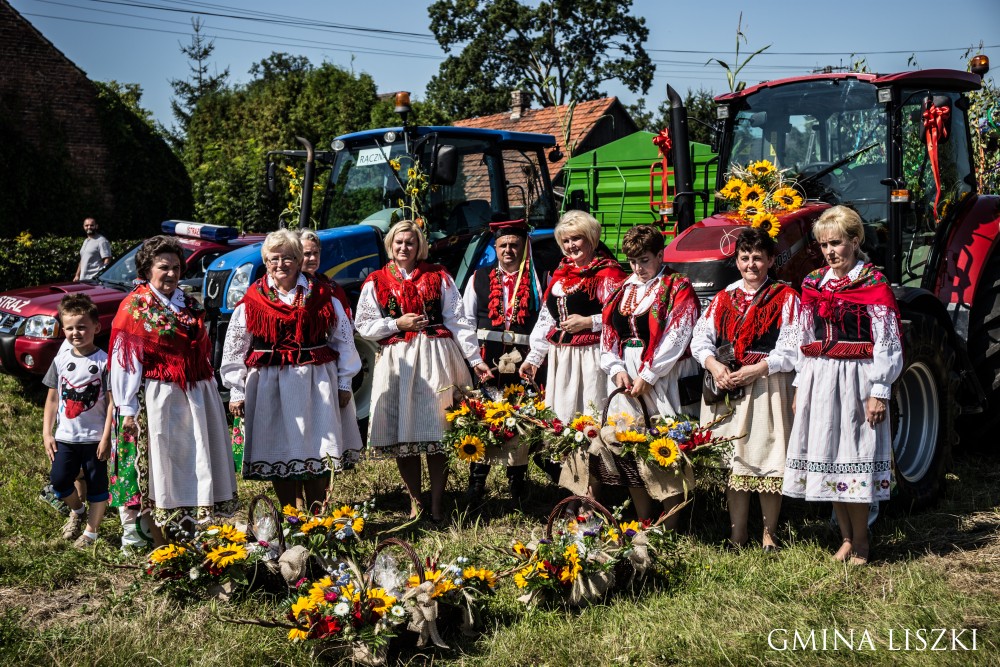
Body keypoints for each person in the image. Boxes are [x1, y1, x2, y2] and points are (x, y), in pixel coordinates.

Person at [782, 206, 903, 565]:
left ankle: (862, 541)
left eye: (836, 243)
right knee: (831, 456)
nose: (830, 251)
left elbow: (888, 341)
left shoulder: (872, 284)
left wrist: (879, 390)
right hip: (821, 377)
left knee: (855, 455)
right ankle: (846, 538)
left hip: (858, 377)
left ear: (854, 240)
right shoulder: (813, 283)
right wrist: (801, 384)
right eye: (823, 245)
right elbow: (804, 336)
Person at [355, 220, 492, 523]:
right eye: (399, 242)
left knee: (436, 430)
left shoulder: (437, 275)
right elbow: (363, 325)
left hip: (435, 355)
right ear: (390, 245)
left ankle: (439, 503)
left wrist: (475, 358)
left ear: (419, 247)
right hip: (398, 359)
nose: (404, 247)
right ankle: (416, 504)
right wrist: (396, 324)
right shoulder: (376, 280)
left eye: (410, 243)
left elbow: (457, 319)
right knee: (405, 437)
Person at [221, 230, 363, 510]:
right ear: (266, 261)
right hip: (270, 385)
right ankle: (291, 517)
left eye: (288, 258)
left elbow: (343, 340)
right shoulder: (253, 300)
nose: (280, 264)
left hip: (315, 382)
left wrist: (344, 382)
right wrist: (236, 390)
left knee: (318, 448)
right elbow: (234, 348)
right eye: (274, 258)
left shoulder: (322, 296)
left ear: (298, 261)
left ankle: (317, 516)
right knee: (279, 451)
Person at [109, 236, 238, 543]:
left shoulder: (187, 302)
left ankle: (191, 530)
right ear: (147, 268)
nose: (170, 274)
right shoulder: (135, 308)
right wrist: (128, 409)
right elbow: (124, 363)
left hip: (195, 394)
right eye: (163, 267)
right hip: (159, 397)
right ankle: (161, 540)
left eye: (176, 267)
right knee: (162, 465)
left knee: (194, 459)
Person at [691, 227, 801, 550]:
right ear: (737, 262)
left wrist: (755, 369)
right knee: (735, 462)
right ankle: (737, 535)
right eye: (744, 258)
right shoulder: (724, 298)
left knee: (768, 457)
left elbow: (791, 348)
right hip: (729, 385)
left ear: (769, 261)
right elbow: (700, 339)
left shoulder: (785, 298)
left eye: (757, 258)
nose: (751, 264)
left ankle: (770, 536)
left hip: (766, 383)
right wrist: (714, 365)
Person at [520, 210, 627, 495]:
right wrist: (534, 358)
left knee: (590, 422)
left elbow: (621, 316)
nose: (571, 246)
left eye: (577, 239)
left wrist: (588, 321)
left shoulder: (608, 273)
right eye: (565, 241)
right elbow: (546, 319)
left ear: (591, 239)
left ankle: (598, 493)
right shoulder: (560, 274)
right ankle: (576, 491)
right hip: (562, 359)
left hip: (592, 357)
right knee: (565, 422)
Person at [598, 225, 699, 525]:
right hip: (626, 372)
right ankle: (643, 517)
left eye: (644, 260)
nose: (638, 267)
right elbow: (608, 333)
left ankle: (671, 519)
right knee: (628, 442)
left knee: (663, 442)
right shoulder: (622, 289)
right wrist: (616, 369)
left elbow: (678, 335)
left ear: (659, 254)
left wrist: (650, 374)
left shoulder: (677, 286)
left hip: (662, 373)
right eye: (632, 261)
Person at [461, 218, 544, 507]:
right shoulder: (479, 277)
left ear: (524, 248)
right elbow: (466, 321)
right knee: (484, 416)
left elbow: (545, 321)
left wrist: (536, 358)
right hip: (489, 358)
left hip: (523, 361)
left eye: (514, 245)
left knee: (519, 417)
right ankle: (477, 481)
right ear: (495, 247)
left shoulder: (536, 279)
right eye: (503, 245)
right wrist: (473, 360)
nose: (508, 250)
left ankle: (517, 480)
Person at [42, 294, 113, 548]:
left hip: (95, 438)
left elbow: (112, 404)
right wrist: (47, 433)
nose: (75, 333)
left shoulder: (105, 362)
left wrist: (107, 437)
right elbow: (52, 399)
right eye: (69, 328)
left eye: (82, 327)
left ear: (96, 327)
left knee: (97, 485)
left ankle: (90, 533)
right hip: (66, 436)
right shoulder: (60, 360)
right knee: (59, 480)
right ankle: (78, 511)